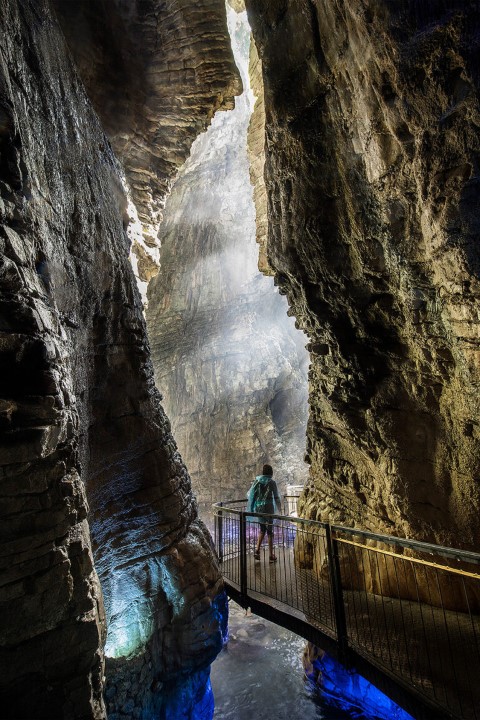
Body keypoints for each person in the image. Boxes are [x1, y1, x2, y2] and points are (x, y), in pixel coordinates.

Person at [247, 464, 281, 563]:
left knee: (262, 529)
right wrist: (280, 509)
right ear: (271, 472)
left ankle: (257, 550)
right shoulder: (272, 482)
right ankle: (271, 555)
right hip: (269, 509)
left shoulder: (257, 482)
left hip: (259, 509)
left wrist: (252, 509)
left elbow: (252, 496)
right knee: (270, 531)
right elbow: (276, 497)